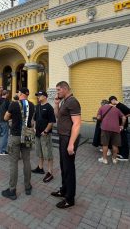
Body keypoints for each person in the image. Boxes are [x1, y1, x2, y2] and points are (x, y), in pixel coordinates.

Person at [51, 81, 81, 209]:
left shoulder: (73, 101)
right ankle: (63, 190)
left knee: (69, 168)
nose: (57, 92)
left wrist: (71, 144)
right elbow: (57, 116)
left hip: (69, 138)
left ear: (64, 89)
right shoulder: (65, 101)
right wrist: (57, 104)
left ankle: (70, 199)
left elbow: (77, 124)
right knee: (64, 166)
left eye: (58, 90)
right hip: (63, 137)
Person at [2, 87, 35, 200]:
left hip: (15, 135)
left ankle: (12, 190)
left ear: (20, 94)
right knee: (27, 161)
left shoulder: (14, 104)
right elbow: (31, 121)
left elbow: (5, 117)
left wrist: (12, 119)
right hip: (27, 136)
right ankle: (28, 186)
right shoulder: (32, 105)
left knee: (13, 163)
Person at [32, 90, 56, 183]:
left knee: (48, 153)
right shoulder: (37, 106)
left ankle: (50, 172)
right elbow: (35, 118)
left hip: (45, 134)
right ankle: (40, 168)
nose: (38, 97)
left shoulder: (49, 107)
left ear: (45, 96)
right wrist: (34, 127)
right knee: (40, 152)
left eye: (40, 95)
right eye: (37, 95)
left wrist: (45, 131)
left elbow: (51, 122)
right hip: (37, 133)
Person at [97, 99, 126, 165]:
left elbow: (98, 117)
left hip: (105, 128)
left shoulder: (102, 108)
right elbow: (124, 117)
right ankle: (114, 159)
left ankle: (105, 159)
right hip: (116, 128)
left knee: (105, 144)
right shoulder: (116, 109)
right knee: (115, 145)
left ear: (103, 104)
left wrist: (101, 118)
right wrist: (122, 125)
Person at [109, 96, 130, 161]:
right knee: (121, 140)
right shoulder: (118, 106)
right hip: (119, 126)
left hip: (123, 126)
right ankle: (121, 153)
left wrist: (124, 116)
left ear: (113, 100)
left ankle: (125, 156)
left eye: (111, 102)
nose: (111, 104)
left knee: (124, 140)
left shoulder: (121, 106)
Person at [0, 90, 10, 155]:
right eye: (8, 94)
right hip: (4, 120)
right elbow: (9, 111)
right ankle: (2, 151)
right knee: (4, 135)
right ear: (6, 94)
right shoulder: (6, 101)